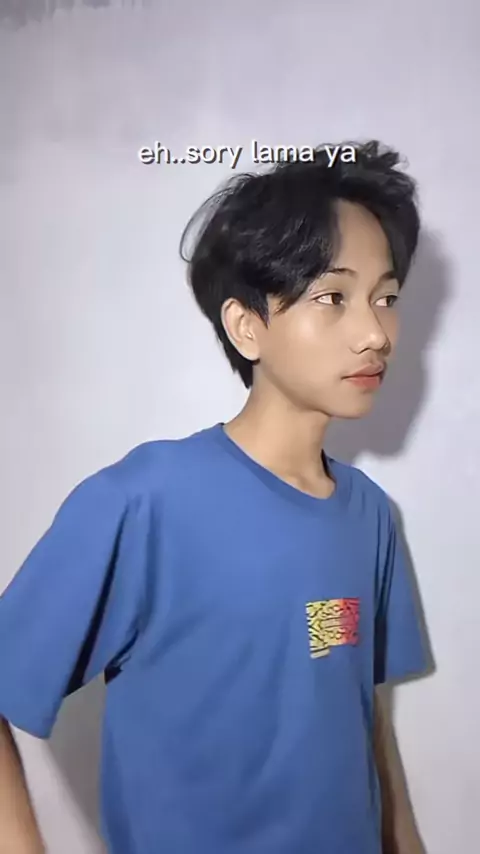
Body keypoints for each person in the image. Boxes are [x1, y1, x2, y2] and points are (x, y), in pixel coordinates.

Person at [0, 140, 427, 854]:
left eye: (386, 298)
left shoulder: (370, 515)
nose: (375, 333)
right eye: (334, 297)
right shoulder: (145, 502)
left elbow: (363, 722)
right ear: (247, 325)